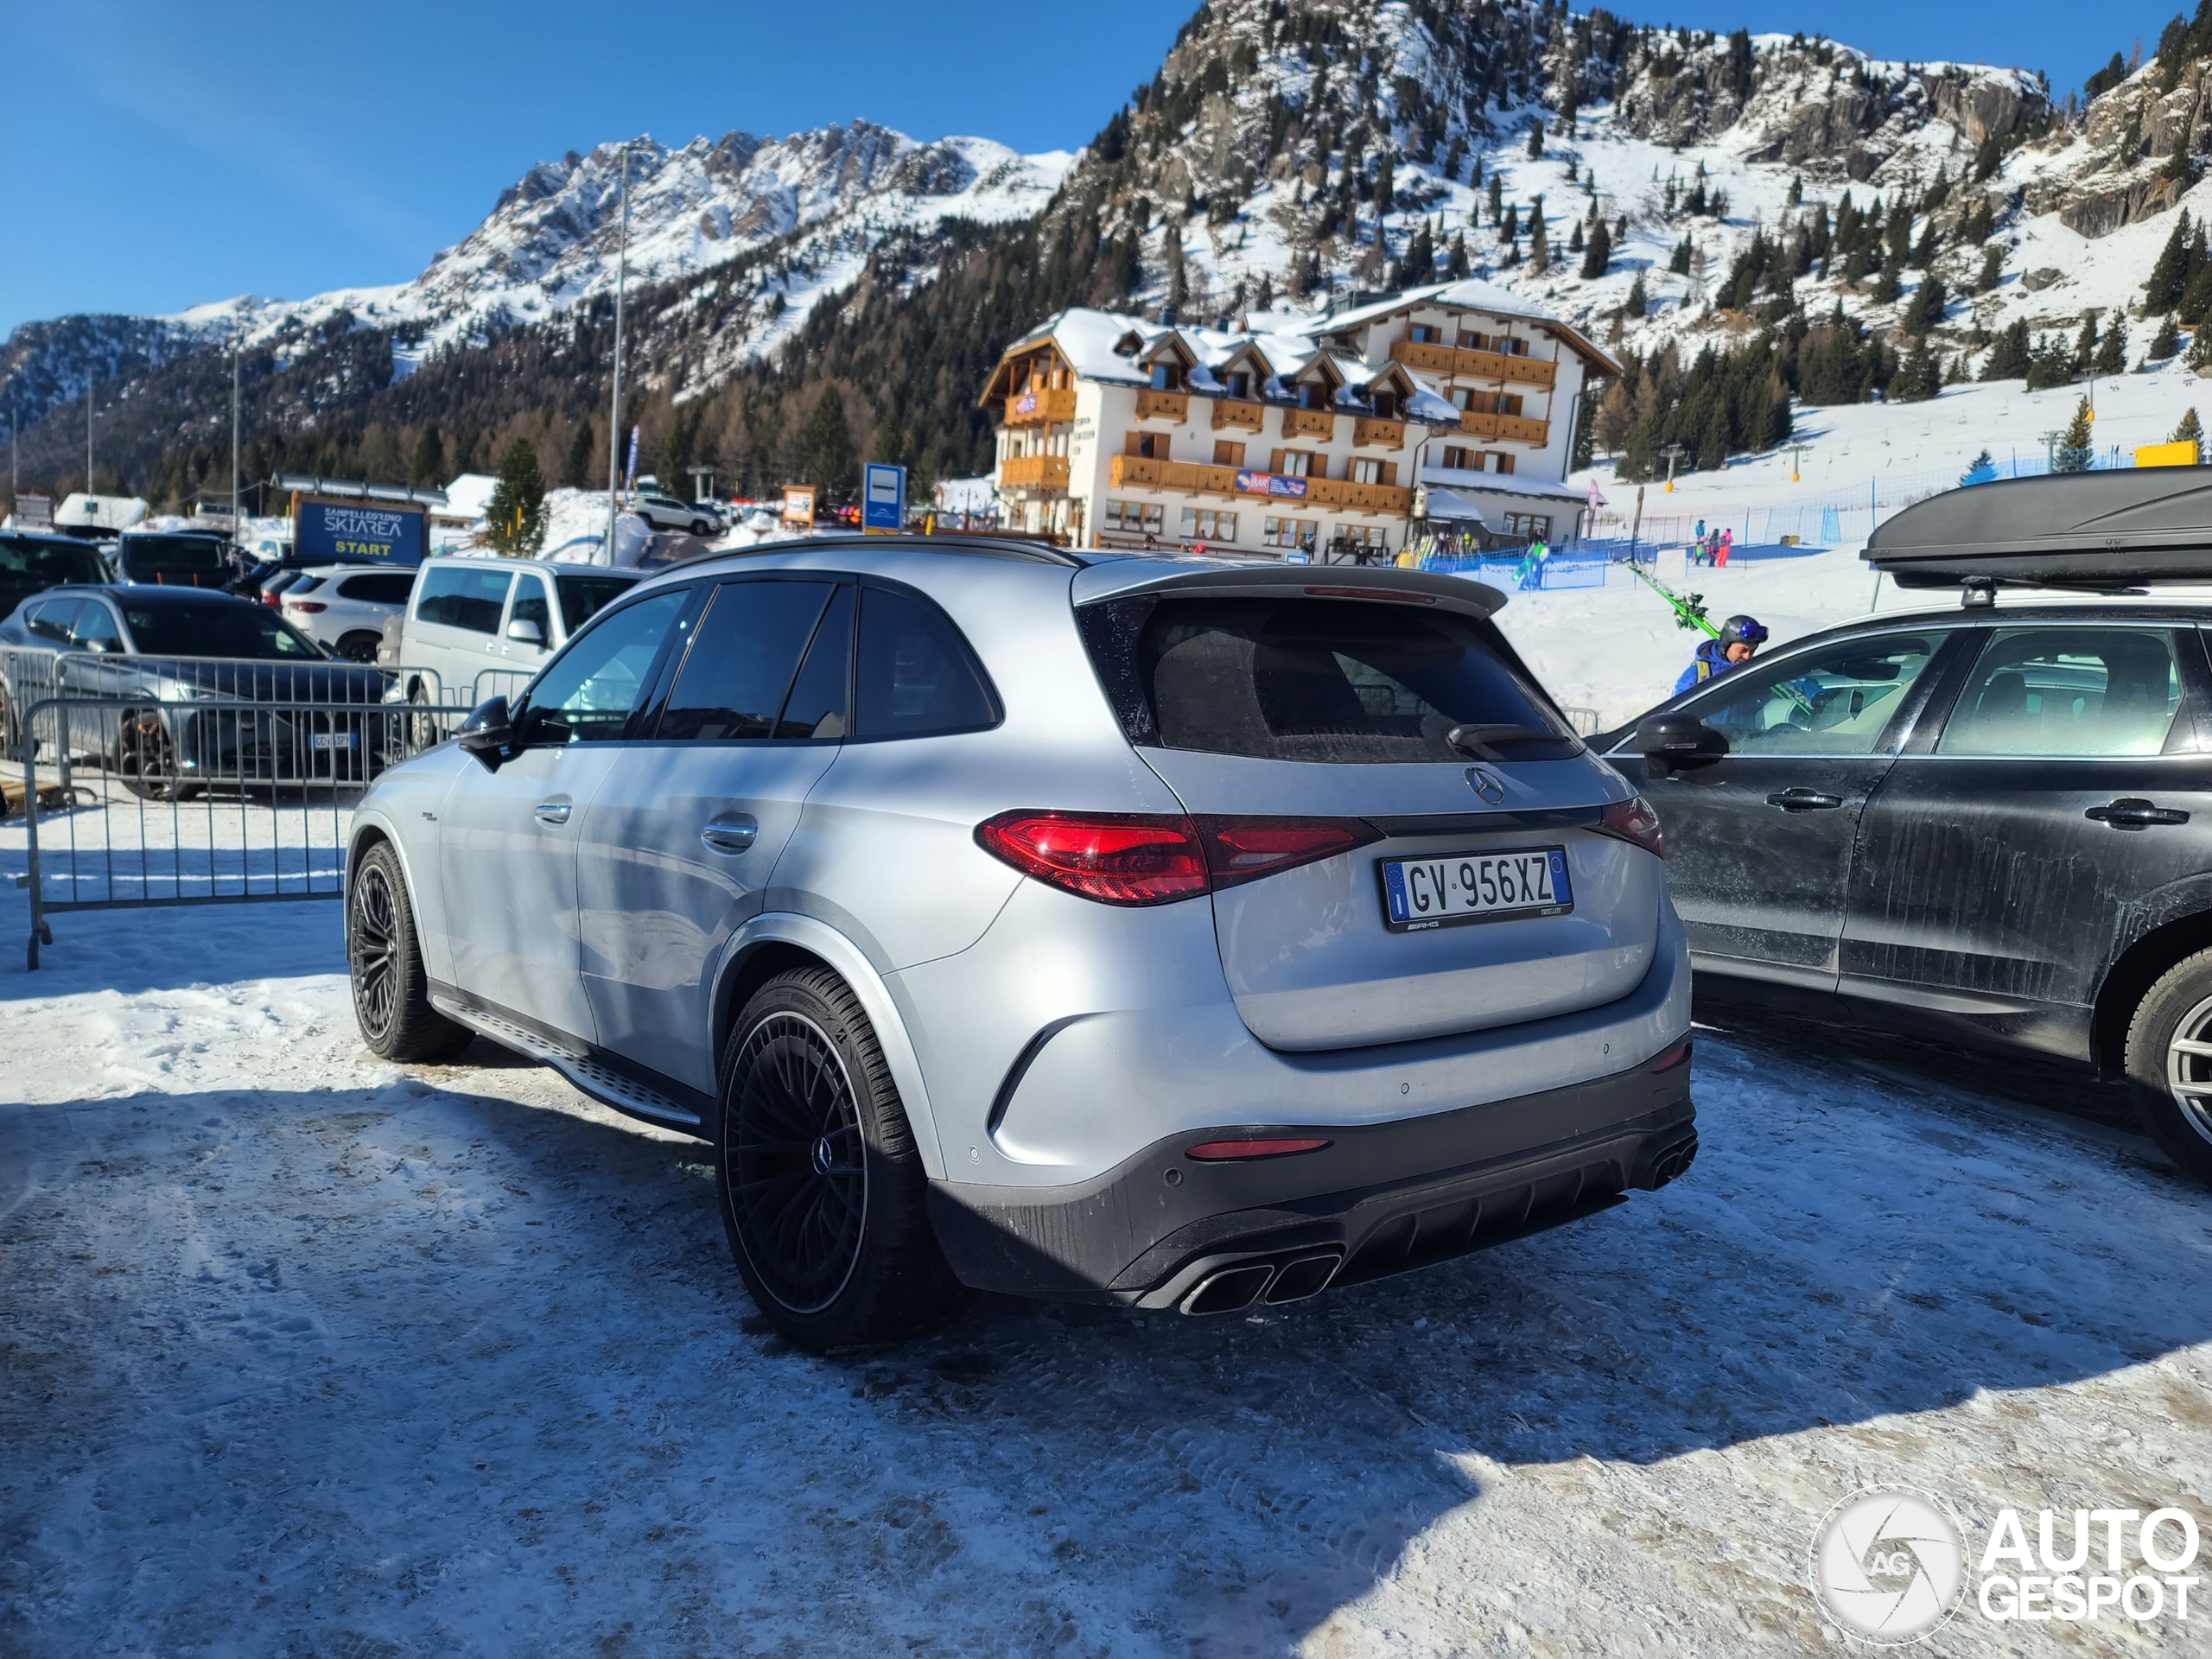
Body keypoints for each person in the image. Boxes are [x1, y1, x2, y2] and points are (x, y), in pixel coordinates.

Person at [1673, 613, 1769, 694]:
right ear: (1726, 646)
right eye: (1742, 650)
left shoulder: (1754, 674)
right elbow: (1677, 712)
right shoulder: (1697, 676)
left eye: (1752, 651)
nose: (1747, 657)